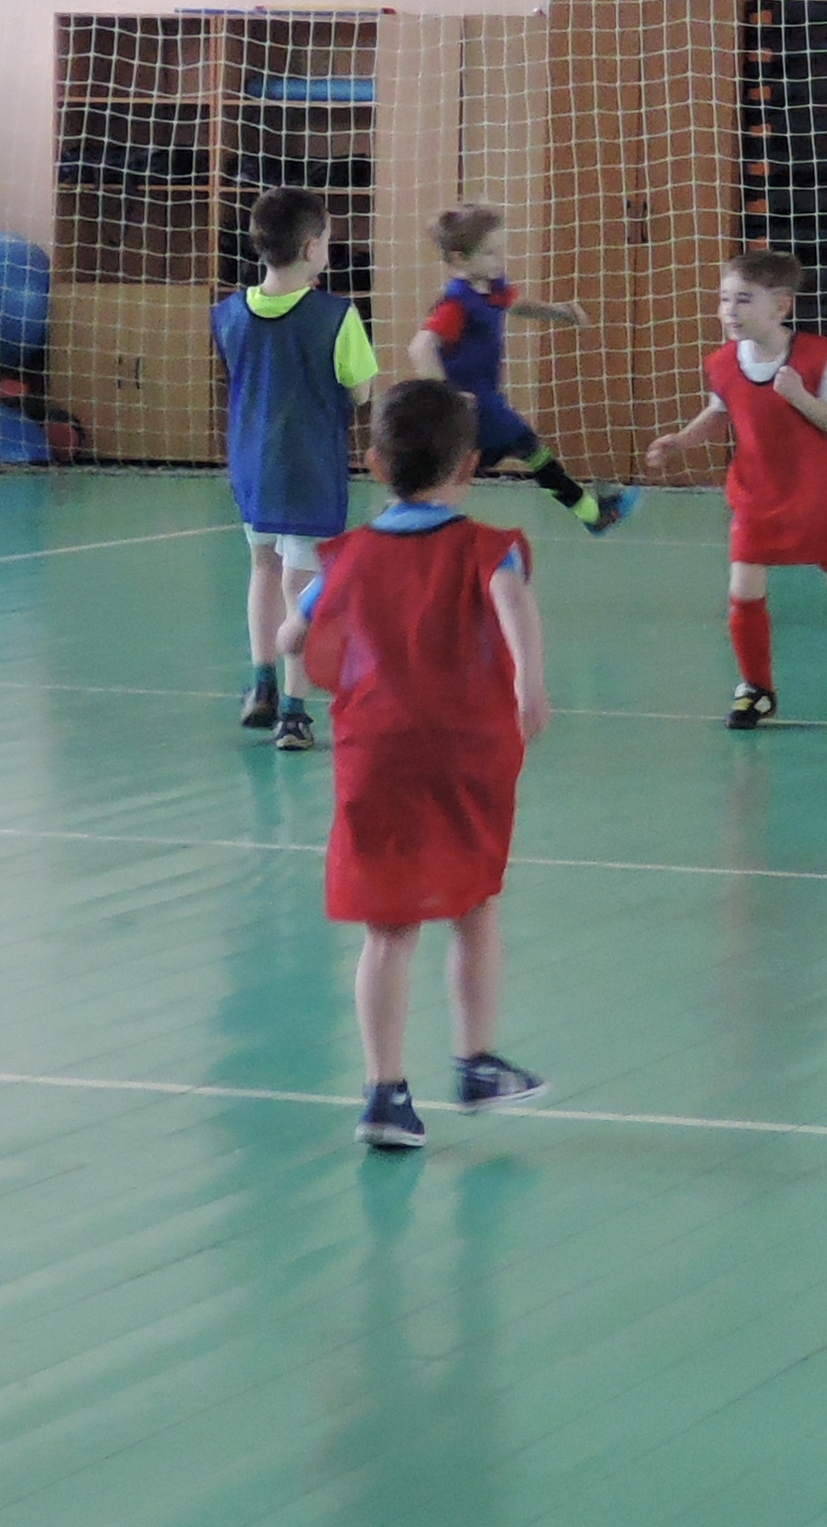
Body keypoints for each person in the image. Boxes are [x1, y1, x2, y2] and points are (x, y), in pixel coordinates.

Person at [302, 380, 552, 1147]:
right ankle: (475, 1063)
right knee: (475, 905)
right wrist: (530, 685)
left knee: (388, 931)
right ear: (470, 466)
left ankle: (384, 1094)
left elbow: (294, 635)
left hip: (375, 753)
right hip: (464, 752)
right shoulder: (490, 548)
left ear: (375, 465)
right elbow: (513, 606)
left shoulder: (351, 555)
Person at [646, 251, 827, 729]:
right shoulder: (723, 364)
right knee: (743, 588)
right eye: (724, 299)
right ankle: (756, 688)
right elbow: (719, 411)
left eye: (743, 299)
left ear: (781, 306)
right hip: (755, 497)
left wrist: (798, 397)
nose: (729, 310)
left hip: (817, 500)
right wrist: (682, 439)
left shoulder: (816, 358)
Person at [217, 187, 381, 752]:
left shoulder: (228, 313)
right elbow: (361, 391)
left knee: (263, 568)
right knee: (301, 588)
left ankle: (261, 684)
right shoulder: (337, 316)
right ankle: (294, 712)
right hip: (309, 469)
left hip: (251, 466)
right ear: (312, 248)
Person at [404, 203, 637, 535]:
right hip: (474, 405)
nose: (499, 260)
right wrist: (447, 397)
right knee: (522, 448)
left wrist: (558, 312)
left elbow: (518, 305)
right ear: (459, 259)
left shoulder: (493, 287)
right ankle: (590, 513)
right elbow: (420, 347)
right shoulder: (457, 303)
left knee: (470, 464)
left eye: (501, 251)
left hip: (484, 401)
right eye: (489, 253)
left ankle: (412, 514)